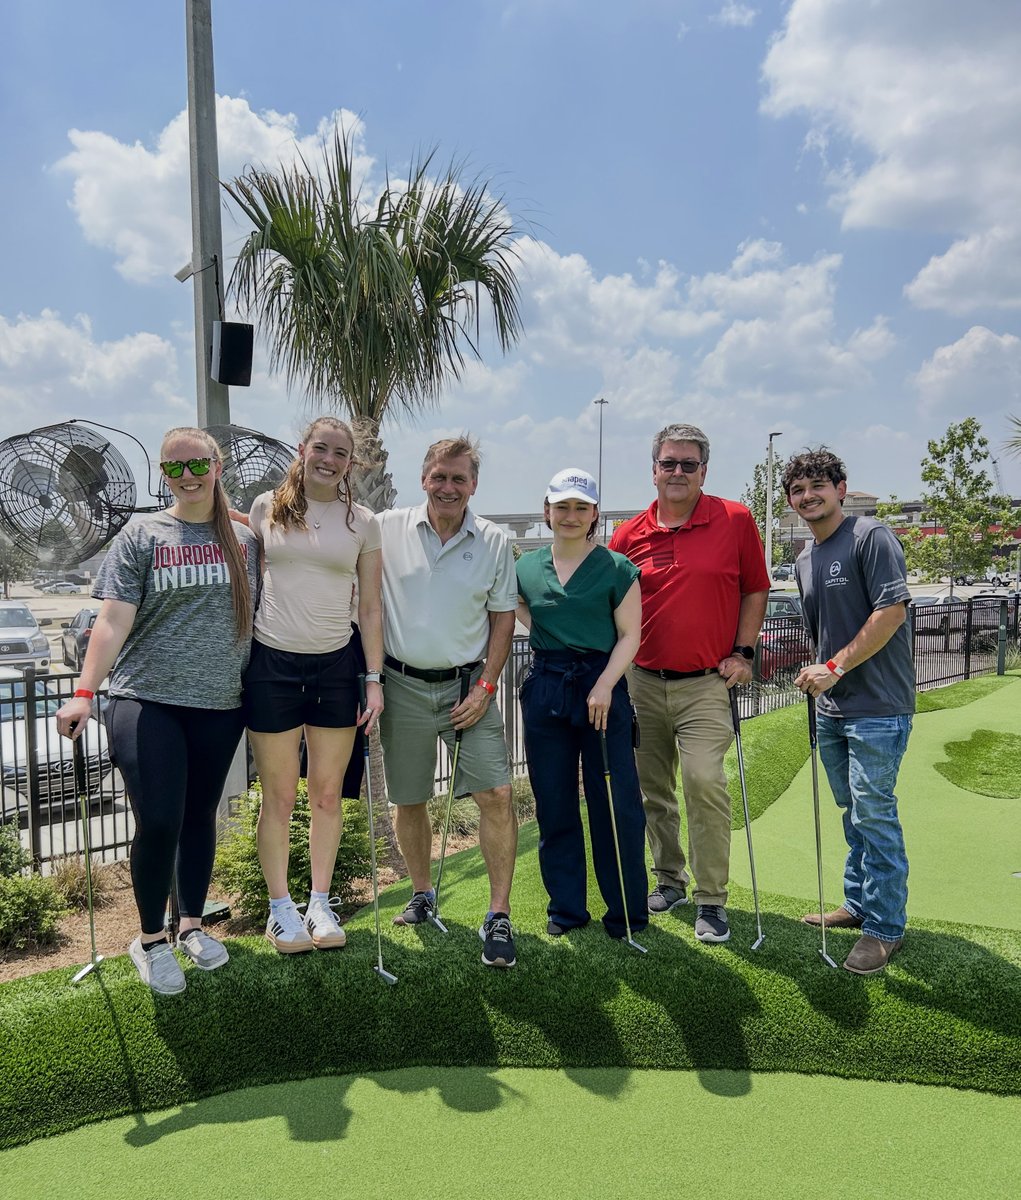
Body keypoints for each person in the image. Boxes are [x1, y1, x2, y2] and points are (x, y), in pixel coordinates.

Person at [56, 427, 259, 995]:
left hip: (219, 703)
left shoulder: (246, 541)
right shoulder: (143, 534)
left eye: (197, 464)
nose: (187, 476)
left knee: (199, 817)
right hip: (145, 698)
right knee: (162, 820)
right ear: (163, 475)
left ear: (217, 466)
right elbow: (113, 620)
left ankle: (190, 925)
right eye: (174, 468)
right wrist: (84, 692)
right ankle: (149, 940)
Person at [609, 423, 770, 944]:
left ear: (704, 470)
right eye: (669, 463)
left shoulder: (735, 519)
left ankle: (712, 899)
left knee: (703, 781)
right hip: (641, 682)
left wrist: (744, 652)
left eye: (688, 464)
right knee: (653, 789)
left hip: (706, 683)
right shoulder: (627, 535)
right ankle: (669, 879)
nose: (677, 472)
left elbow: (755, 589)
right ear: (653, 469)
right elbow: (612, 607)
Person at [243, 416, 384, 954]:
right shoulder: (265, 508)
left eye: (340, 453)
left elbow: (370, 608)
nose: (329, 459)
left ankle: (320, 904)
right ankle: (281, 908)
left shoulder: (363, 523)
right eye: (320, 448)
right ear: (302, 450)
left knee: (327, 795)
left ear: (351, 463)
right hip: (271, 664)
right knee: (278, 796)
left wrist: (373, 679)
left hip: (336, 667)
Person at [377, 436, 518, 968]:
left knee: (496, 794)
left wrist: (487, 686)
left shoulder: (494, 540)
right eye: (439, 476)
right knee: (409, 799)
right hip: (402, 685)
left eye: (459, 478)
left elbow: (503, 618)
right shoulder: (387, 527)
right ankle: (421, 893)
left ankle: (498, 914)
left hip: (468, 687)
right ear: (423, 478)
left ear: (474, 485)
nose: (448, 487)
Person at [785, 447, 914, 975]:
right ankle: (858, 902)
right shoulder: (803, 559)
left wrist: (834, 666)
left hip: (878, 706)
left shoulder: (870, 537)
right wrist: (819, 669)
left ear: (840, 489)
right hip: (833, 708)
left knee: (873, 812)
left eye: (818, 485)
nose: (807, 496)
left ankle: (885, 928)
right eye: (798, 490)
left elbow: (891, 612)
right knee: (852, 810)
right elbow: (824, 631)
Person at [516, 468, 647, 938]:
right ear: (546, 511)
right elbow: (518, 607)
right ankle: (566, 910)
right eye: (562, 506)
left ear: (594, 514)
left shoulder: (616, 567)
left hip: (602, 686)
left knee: (615, 802)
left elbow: (630, 634)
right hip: (547, 686)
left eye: (580, 507)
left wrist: (606, 683)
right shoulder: (525, 567)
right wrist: (549, 635)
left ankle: (626, 912)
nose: (570, 515)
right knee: (554, 802)